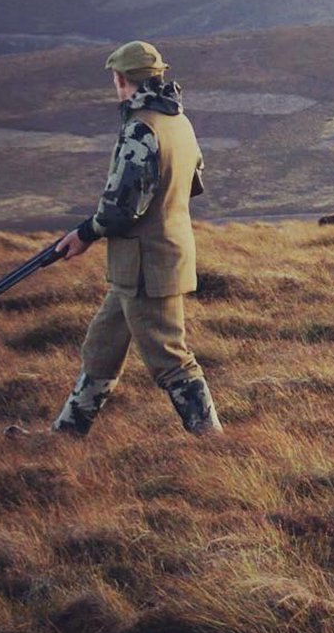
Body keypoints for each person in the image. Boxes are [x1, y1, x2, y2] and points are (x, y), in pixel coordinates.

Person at [50, 40, 222, 437]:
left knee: (171, 359)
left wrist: (85, 233)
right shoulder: (178, 122)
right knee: (101, 348)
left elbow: (121, 209)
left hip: (148, 266)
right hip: (147, 262)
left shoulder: (140, 128)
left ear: (122, 79)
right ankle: (66, 435)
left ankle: (214, 441)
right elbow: (192, 184)